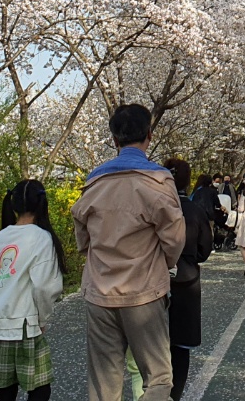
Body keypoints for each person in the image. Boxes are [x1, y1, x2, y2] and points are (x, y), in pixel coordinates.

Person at [71, 104, 185, 401]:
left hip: (99, 291)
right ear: (149, 134)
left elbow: (82, 237)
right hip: (144, 291)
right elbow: (174, 239)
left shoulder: (94, 181)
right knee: (158, 378)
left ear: (114, 140)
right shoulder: (158, 180)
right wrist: (164, 264)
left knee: (103, 383)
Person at [0, 180, 66, 401]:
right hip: (24, 324)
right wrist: (42, 319)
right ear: (42, 204)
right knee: (39, 388)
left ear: (13, 205)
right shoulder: (41, 238)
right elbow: (45, 286)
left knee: (5, 390)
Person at [164, 160, 214, 401]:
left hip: (156, 279)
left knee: (154, 343)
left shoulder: (157, 207)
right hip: (187, 279)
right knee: (181, 345)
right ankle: (175, 394)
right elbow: (205, 249)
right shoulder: (194, 211)